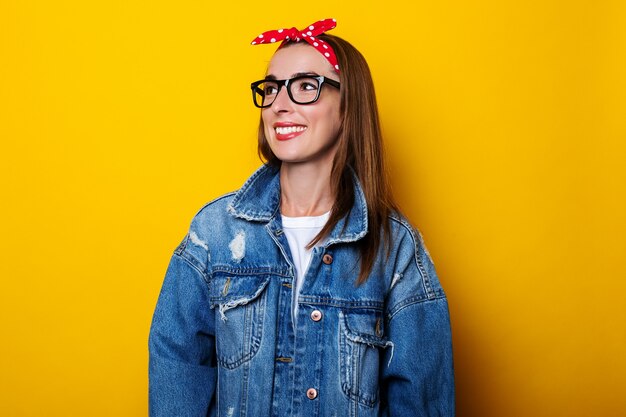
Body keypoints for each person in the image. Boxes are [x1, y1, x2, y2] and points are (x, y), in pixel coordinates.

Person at [149, 18, 455, 417]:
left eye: (306, 86)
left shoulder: (394, 249)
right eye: (272, 87)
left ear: (348, 107)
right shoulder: (213, 235)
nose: (279, 103)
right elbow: (177, 375)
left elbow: (421, 400)